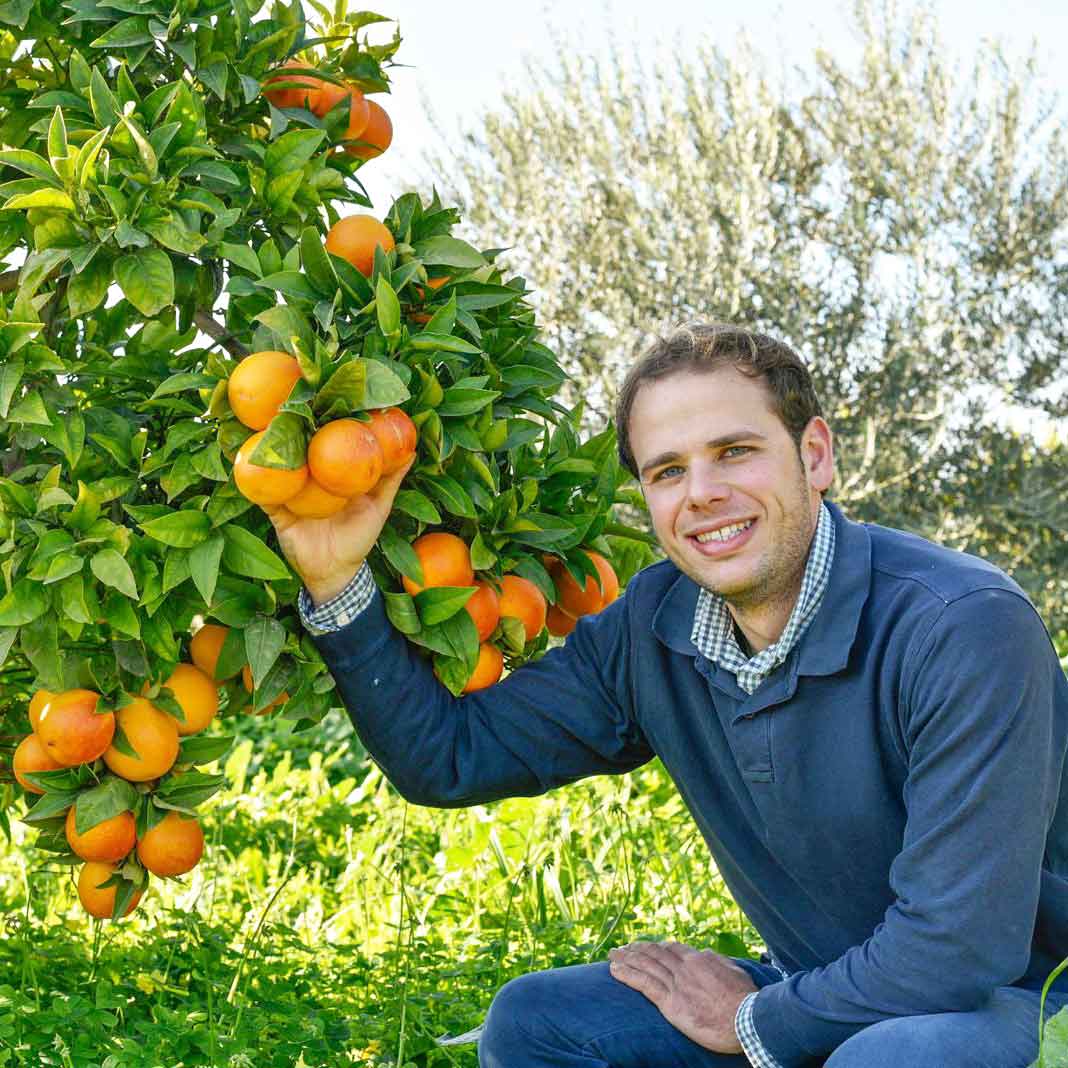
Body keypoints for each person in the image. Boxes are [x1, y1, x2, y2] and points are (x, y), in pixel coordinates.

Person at [265, 322, 1068, 1068]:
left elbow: (959, 951)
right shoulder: (653, 627)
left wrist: (755, 1019)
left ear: (815, 455)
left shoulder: (961, 628)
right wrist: (338, 588)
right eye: (669, 470)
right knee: (535, 1024)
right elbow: (451, 757)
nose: (703, 493)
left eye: (736, 451)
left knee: (889, 1058)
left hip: (1021, 1005)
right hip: (823, 993)